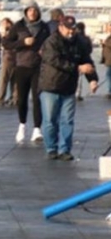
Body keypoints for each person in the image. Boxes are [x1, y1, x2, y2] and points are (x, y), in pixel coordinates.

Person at [39, 16, 98, 161]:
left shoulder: (79, 42)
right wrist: (78, 68)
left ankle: (65, 149)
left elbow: (86, 60)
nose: (71, 32)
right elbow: (55, 61)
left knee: (68, 120)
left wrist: (93, 79)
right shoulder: (51, 42)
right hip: (50, 86)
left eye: (73, 29)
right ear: (60, 27)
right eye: (68, 29)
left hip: (69, 87)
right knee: (50, 120)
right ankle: (51, 148)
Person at [2, 1, 50, 143]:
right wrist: (22, 43)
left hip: (38, 66)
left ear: (38, 12)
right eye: (29, 10)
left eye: (35, 10)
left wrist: (45, 51)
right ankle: (22, 125)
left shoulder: (44, 27)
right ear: (26, 12)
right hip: (22, 65)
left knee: (37, 99)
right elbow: (6, 43)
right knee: (22, 99)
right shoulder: (19, 26)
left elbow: (50, 43)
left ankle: (37, 129)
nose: (32, 13)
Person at [0, 18, 17, 107]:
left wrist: (4, 34)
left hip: (9, 57)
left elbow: (5, 44)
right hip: (14, 57)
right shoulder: (16, 32)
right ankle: (15, 98)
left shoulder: (9, 34)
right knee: (14, 80)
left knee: (4, 79)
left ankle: (1, 99)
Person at [74, 22, 93, 101]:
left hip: (75, 58)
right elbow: (90, 49)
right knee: (80, 78)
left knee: (75, 77)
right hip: (84, 59)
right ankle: (78, 93)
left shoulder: (75, 37)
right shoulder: (86, 38)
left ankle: (74, 92)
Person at [102, 23, 111, 99]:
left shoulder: (109, 39)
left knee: (108, 76)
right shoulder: (108, 37)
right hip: (108, 60)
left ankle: (109, 91)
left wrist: (105, 43)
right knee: (108, 76)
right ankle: (109, 91)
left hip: (110, 61)